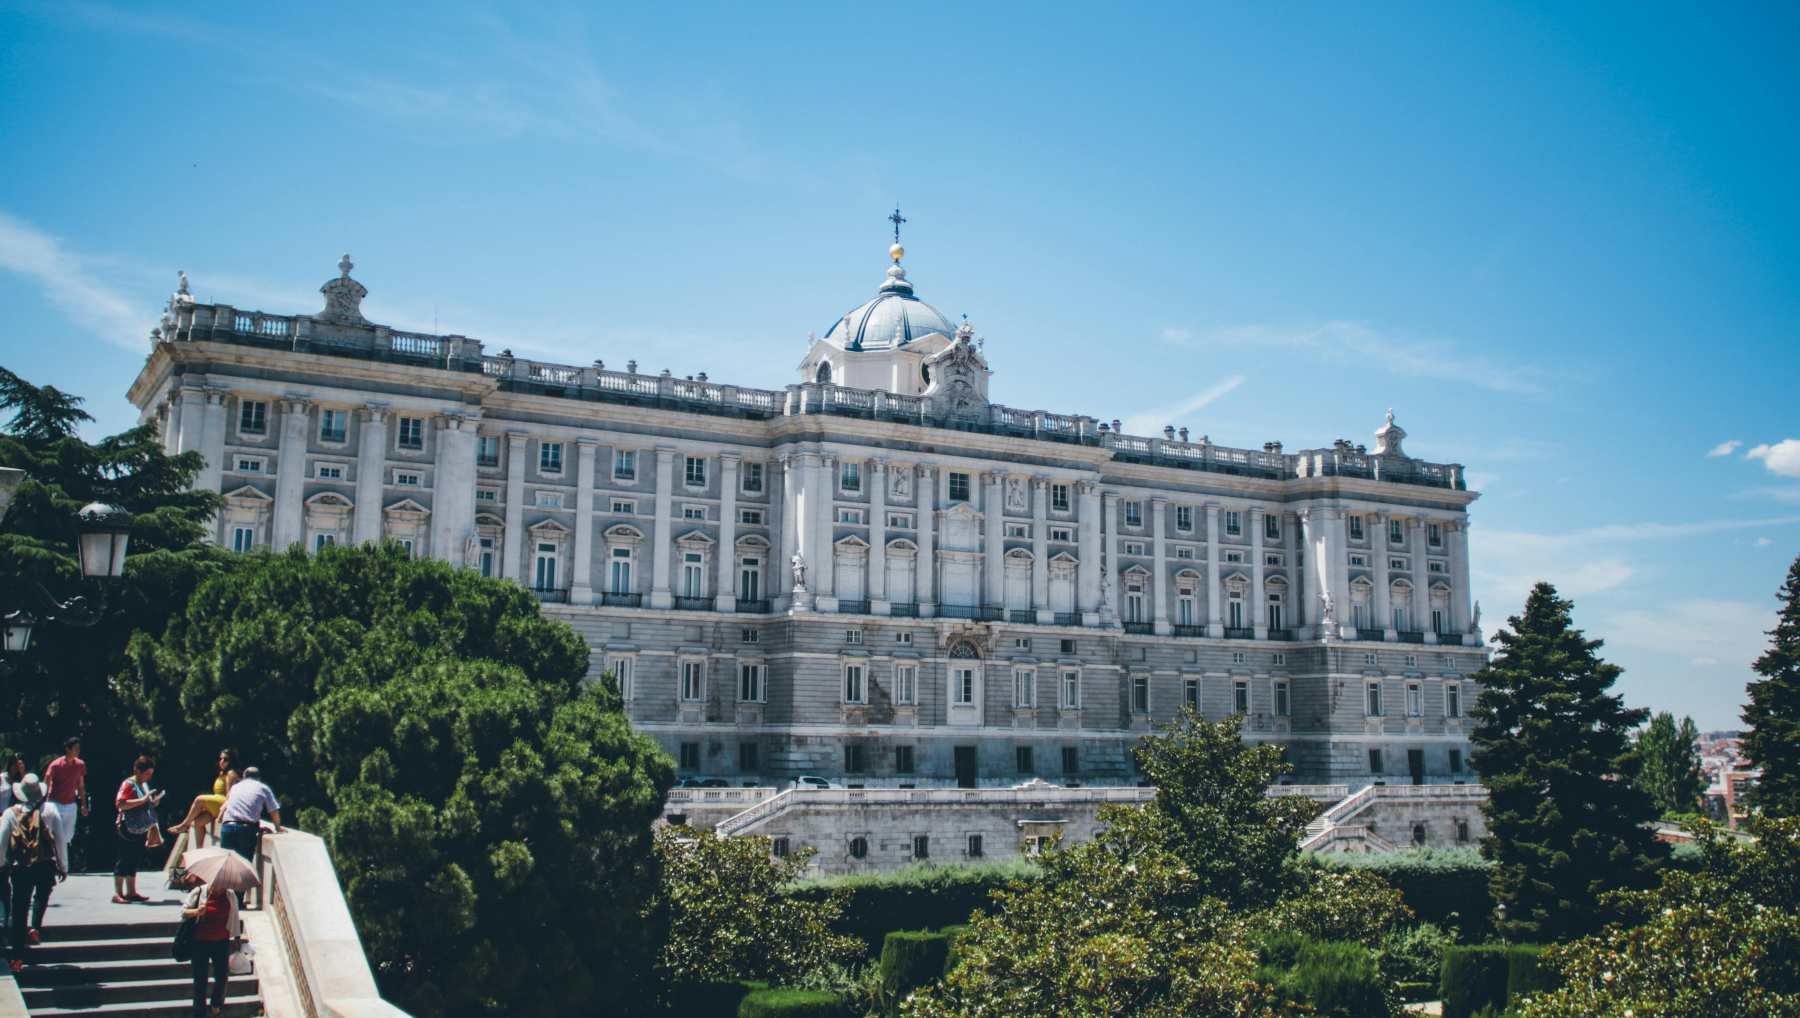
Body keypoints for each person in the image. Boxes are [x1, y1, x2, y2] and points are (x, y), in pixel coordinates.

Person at [2, 774, 64, 973]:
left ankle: (17, 958)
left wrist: (3, 863)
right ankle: (36, 926)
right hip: (45, 863)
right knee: (42, 895)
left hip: (21, 866)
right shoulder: (50, 810)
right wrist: (64, 866)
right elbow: (61, 840)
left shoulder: (11, 812)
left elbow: (2, 839)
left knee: (19, 908)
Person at [180, 873, 237, 1018]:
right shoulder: (199, 892)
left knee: (222, 977)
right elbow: (183, 912)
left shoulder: (230, 895)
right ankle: (199, 1013)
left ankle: (216, 1005)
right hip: (200, 942)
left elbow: (235, 917)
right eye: (217, 883)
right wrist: (197, 911)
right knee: (200, 980)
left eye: (223, 883)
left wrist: (237, 938)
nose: (219, 887)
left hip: (221, 942)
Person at [112, 756, 163, 904]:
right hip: (127, 827)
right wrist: (142, 800)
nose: (149, 777)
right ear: (137, 771)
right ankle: (118, 893)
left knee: (134, 858)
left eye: (150, 774)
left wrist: (153, 802)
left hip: (140, 827)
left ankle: (131, 891)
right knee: (124, 858)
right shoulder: (128, 784)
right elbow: (121, 804)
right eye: (147, 774)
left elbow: (145, 802)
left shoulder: (144, 785)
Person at [167, 749, 240, 850]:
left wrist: (221, 811)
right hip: (218, 803)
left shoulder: (231, 774)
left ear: (232, 761)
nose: (222, 761)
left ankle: (184, 825)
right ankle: (199, 850)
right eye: (221, 759)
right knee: (197, 822)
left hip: (224, 804)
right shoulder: (222, 773)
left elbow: (229, 796)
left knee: (199, 799)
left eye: (225, 759)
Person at [216, 766, 281, 863]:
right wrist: (277, 827)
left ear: (244, 776)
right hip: (246, 831)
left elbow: (222, 813)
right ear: (259, 778)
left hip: (227, 828)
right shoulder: (263, 788)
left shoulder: (235, 787)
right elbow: (273, 811)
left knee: (225, 865)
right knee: (243, 866)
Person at [42, 737, 87, 875]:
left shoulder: (80, 764)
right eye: (76, 748)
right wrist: (42, 803)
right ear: (68, 749)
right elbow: (45, 782)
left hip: (70, 804)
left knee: (67, 836)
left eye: (79, 748)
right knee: (55, 835)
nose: (78, 751)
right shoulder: (55, 765)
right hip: (55, 803)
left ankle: (60, 862)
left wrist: (84, 804)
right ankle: (55, 864)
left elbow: (81, 785)